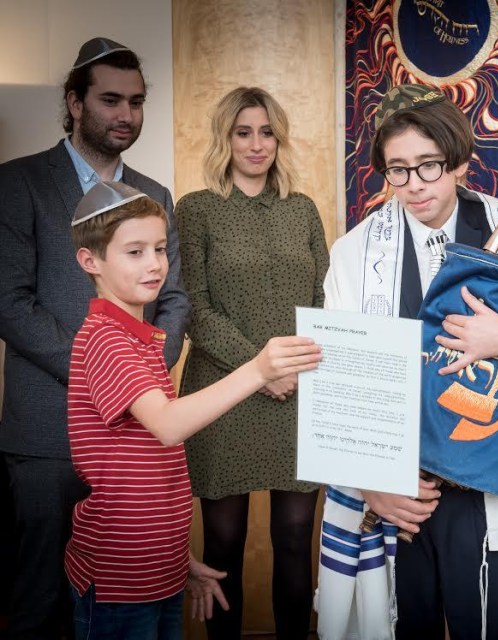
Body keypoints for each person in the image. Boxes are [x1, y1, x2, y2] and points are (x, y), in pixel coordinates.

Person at [317, 84, 498, 640]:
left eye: (429, 166)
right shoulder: (353, 253)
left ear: (462, 163)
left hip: (491, 485)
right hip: (401, 491)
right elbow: (335, 378)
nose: (414, 185)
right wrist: (372, 485)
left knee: (490, 626)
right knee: (406, 625)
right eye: (397, 170)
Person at [65, 181, 322, 637]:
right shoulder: (107, 339)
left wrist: (179, 560)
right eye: (135, 252)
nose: (155, 265)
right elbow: (166, 427)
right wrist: (258, 370)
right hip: (119, 581)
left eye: (160, 249)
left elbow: (146, 472)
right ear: (91, 261)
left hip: (158, 570)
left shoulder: (141, 340)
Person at [0, 37, 191, 638]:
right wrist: (101, 368)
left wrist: (140, 373)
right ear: (74, 102)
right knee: (41, 600)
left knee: (123, 597)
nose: (125, 115)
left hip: (139, 442)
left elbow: (177, 299)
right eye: (110, 100)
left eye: (135, 102)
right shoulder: (18, 182)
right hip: (45, 429)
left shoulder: (153, 194)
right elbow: (9, 302)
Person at [175, 86, 329, 639]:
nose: (257, 144)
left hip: (298, 393)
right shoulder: (196, 210)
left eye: (266, 132)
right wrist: (260, 370)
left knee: (293, 539)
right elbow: (195, 309)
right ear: (226, 138)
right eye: (244, 132)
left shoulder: (302, 209)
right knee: (222, 545)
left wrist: (287, 371)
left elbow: (320, 299)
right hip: (223, 394)